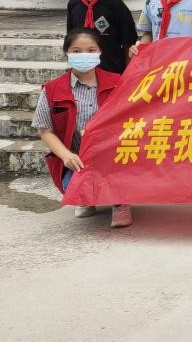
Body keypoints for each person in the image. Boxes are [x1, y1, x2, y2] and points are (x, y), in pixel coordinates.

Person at [34, 29, 128, 227]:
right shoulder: (52, 89)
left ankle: (121, 203)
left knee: (121, 178)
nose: (84, 55)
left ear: (100, 52)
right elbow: (45, 131)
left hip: (113, 157)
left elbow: (133, 120)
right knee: (71, 186)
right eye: (76, 51)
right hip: (78, 160)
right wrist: (66, 156)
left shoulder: (118, 82)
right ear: (67, 53)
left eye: (91, 50)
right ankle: (87, 200)